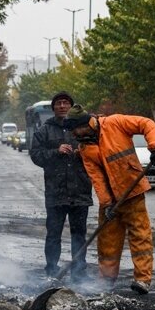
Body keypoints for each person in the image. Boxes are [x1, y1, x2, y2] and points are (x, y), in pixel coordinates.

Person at [62, 104, 155, 294]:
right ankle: (106, 281)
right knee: (107, 241)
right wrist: (107, 204)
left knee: (140, 236)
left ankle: (142, 279)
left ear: (84, 124)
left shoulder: (115, 123)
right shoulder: (84, 148)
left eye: (75, 129)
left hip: (132, 192)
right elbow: (97, 179)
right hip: (111, 201)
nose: (74, 134)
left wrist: (154, 147)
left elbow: (146, 123)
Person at [30, 92, 93, 279]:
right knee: (53, 234)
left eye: (66, 103)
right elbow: (35, 155)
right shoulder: (45, 130)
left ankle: (79, 271)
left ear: (71, 106)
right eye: (59, 103)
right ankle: (51, 269)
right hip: (55, 191)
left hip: (80, 190)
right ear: (54, 108)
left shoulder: (83, 128)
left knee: (79, 234)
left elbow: (96, 151)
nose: (63, 106)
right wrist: (55, 152)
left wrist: (83, 153)